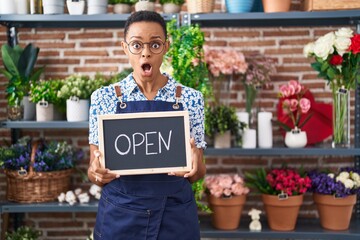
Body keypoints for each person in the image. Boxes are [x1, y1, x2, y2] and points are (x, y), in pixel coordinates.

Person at [88, 11, 206, 240]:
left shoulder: (191, 99)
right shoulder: (104, 98)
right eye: (136, 45)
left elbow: (198, 173)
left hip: (175, 216)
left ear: (166, 47)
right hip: (120, 215)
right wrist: (96, 173)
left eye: (155, 44)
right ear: (125, 48)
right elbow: (94, 169)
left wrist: (194, 166)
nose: (145, 52)